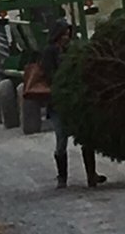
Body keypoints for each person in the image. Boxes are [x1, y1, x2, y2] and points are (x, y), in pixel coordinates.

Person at [41, 19, 106, 189]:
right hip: (58, 104)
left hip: (76, 101)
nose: (66, 37)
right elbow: (49, 75)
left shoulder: (72, 50)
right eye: (64, 34)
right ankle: (62, 177)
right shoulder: (49, 52)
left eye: (68, 34)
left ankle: (91, 175)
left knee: (86, 137)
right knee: (61, 140)